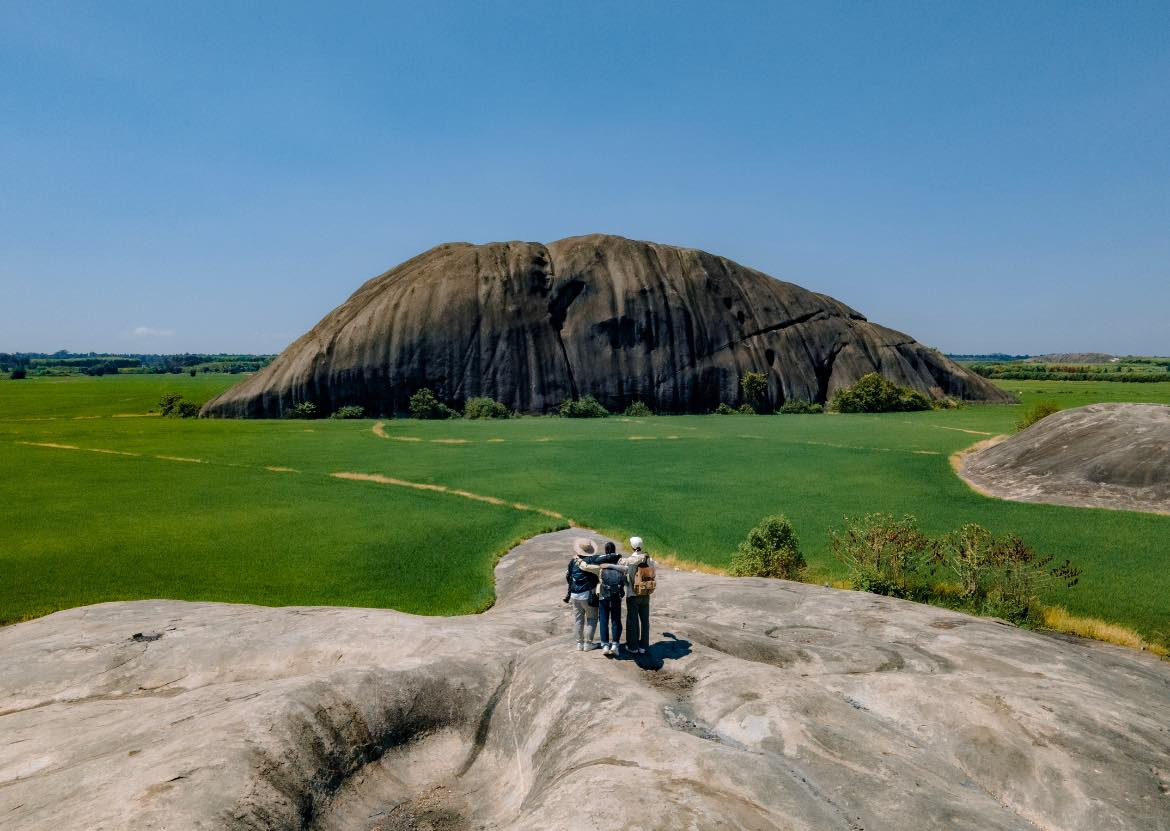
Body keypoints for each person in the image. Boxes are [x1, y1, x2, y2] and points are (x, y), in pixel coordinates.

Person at [617, 536, 656, 655]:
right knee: (645, 621)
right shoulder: (648, 558)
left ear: (632, 546)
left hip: (633, 594)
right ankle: (643, 646)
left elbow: (624, 572)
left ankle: (633, 646)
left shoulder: (630, 560)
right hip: (646, 593)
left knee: (632, 621)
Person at [563, 537, 603, 650]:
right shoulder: (591, 561)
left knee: (578, 619)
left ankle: (579, 644)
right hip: (588, 594)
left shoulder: (573, 561)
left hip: (574, 594)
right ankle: (588, 643)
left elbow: (568, 575)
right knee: (592, 618)